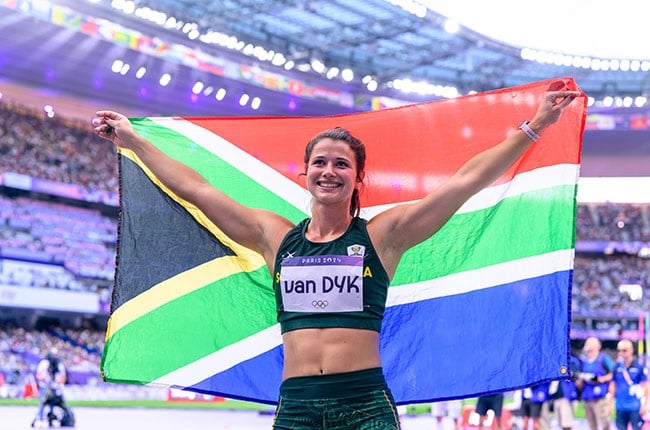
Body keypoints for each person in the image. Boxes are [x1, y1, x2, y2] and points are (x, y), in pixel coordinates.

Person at [93, 86, 579, 430]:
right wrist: (135, 141)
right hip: (298, 406)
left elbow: (463, 183)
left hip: (364, 404)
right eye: (320, 163)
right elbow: (196, 190)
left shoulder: (385, 237)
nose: (329, 171)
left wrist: (534, 127)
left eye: (341, 164)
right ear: (305, 173)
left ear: (356, 177)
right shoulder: (273, 236)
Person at [607, 339, 648, 430]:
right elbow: (613, 385)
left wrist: (645, 405)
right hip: (620, 406)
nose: (621, 353)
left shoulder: (639, 367)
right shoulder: (616, 367)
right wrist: (610, 404)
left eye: (624, 350)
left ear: (631, 350)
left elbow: (645, 386)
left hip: (635, 407)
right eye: (619, 350)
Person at [576, 337, 615, 430]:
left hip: (600, 396)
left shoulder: (603, 358)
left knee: (604, 423)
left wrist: (603, 379)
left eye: (590, 343)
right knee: (591, 424)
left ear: (597, 346)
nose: (587, 346)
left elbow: (613, 373)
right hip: (587, 395)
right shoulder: (584, 361)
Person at [31, 348, 67, 428]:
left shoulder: (59, 364)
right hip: (45, 387)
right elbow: (39, 375)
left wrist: (59, 384)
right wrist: (46, 379)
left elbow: (63, 376)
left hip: (55, 387)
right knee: (43, 403)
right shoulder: (44, 363)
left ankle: (51, 418)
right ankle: (39, 419)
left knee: (53, 403)